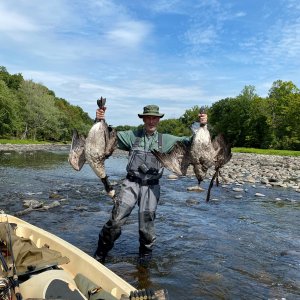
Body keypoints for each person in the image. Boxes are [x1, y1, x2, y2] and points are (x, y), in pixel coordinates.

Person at [94, 104, 207, 264]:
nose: (151, 121)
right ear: (143, 119)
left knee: (146, 227)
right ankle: (100, 254)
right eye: (148, 118)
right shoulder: (132, 136)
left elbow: (192, 143)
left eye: (154, 118)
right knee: (115, 221)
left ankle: (144, 260)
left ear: (159, 120)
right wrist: (99, 120)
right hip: (130, 184)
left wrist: (202, 125)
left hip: (152, 187)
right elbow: (107, 137)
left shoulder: (166, 140)